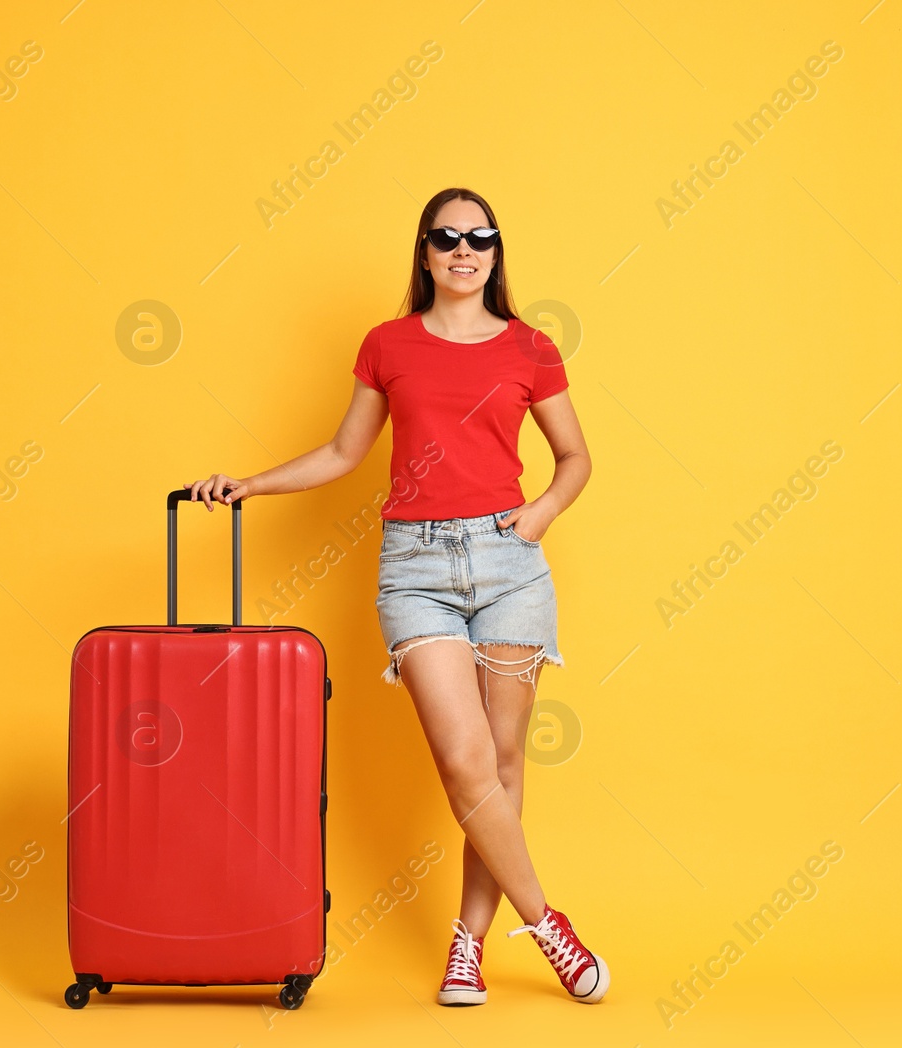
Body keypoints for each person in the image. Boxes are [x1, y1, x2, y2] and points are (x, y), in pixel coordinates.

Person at [184, 187, 604, 1005]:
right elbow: (345, 451)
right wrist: (250, 485)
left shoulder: (530, 347)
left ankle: (468, 949)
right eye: (447, 236)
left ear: (494, 251)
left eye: (479, 236)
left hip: (510, 561)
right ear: (424, 251)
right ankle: (549, 924)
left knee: (505, 761)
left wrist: (540, 515)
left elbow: (576, 457)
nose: (464, 248)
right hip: (416, 570)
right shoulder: (388, 343)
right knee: (464, 761)